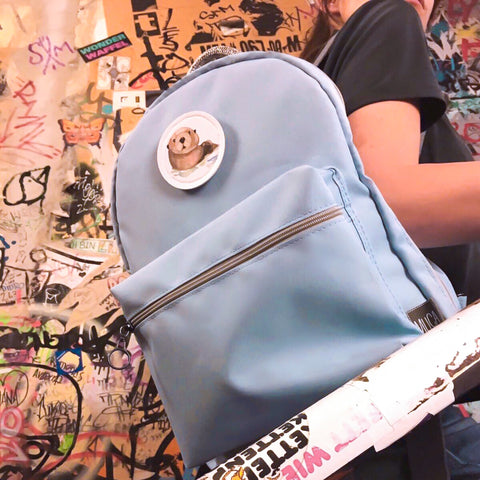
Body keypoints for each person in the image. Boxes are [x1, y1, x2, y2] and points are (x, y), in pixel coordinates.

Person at [301, 0, 480, 478]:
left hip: (336, 414)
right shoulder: (388, 15)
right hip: (398, 410)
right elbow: (386, 204)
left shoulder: (315, 79)